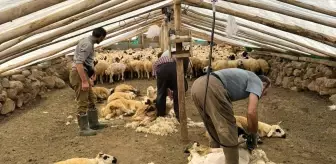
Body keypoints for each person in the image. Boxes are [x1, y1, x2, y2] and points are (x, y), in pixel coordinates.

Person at [190, 68, 271, 164]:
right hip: (213, 86)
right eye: (265, 92)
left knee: (213, 127)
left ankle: (214, 158)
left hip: (197, 86)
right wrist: (253, 135)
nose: (264, 95)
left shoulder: (246, 75)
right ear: (264, 85)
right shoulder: (258, 82)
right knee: (228, 131)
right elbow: (251, 112)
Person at [69, 27, 108, 136]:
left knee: (92, 98)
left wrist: (91, 74)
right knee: (83, 101)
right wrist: (84, 81)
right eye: (103, 38)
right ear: (100, 36)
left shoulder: (87, 42)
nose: (103, 40)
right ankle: (83, 128)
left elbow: (86, 62)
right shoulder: (87, 44)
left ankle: (94, 123)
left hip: (84, 74)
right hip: (78, 74)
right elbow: (79, 63)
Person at [152, 49, 189, 121]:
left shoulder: (165, 53)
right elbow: (184, 68)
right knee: (177, 92)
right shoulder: (183, 52)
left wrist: (163, 86)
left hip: (160, 69)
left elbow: (155, 71)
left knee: (161, 93)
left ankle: (160, 115)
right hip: (173, 67)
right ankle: (179, 116)